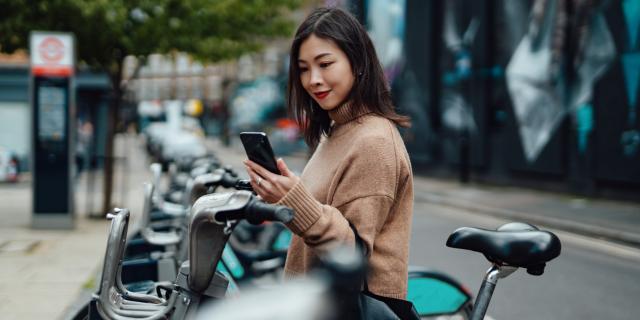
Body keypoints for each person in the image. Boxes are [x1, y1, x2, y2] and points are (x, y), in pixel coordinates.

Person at [243, 7, 413, 302]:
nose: (313, 80)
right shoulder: (336, 131)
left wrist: (295, 200)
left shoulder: (373, 141)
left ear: (357, 62)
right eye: (304, 68)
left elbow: (353, 255)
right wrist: (283, 192)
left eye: (325, 64)